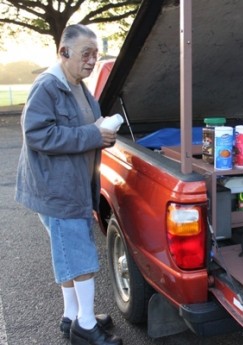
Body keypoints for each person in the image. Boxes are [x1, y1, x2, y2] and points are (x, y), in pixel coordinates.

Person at [15, 24, 122, 345]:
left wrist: (101, 133)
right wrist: (93, 134)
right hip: (57, 189)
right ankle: (85, 327)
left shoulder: (77, 84)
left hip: (69, 184)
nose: (92, 61)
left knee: (68, 252)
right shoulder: (48, 86)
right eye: (85, 53)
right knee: (80, 257)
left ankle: (71, 316)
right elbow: (37, 134)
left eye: (96, 54)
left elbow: (81, 126)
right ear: (63, 52)